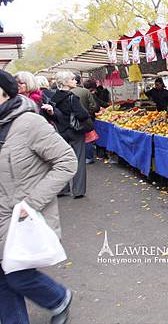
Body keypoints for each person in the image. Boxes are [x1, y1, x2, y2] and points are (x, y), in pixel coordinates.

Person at [0, 70, 77, 324]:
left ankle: (58, 298)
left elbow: (67, 161)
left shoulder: (29, 123)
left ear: (4, 93)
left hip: (22, 216)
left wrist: (32, 202)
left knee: (16, 274)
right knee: (4, 277)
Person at [50, 71, 91, 198]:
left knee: (62, 161)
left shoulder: (53, 98)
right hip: (75, 132)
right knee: (78, 160)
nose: (75, 81)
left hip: (61, 132)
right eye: (73, 79)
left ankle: (62, 189)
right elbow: (82, 115)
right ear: (66, 82)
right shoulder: (72, 97)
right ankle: (78, 190)